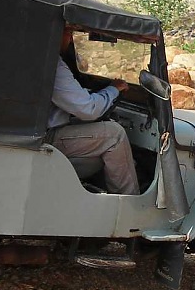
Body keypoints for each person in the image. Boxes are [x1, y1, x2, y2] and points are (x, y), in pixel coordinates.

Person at [48, 27, 140, 194]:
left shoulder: (36, 57)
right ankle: (130, 205)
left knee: (100, 155)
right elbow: (88, 108)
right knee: (114, 135)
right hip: (45, 139)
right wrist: (114, 89)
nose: (70, 38)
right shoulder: (51, 63)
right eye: (67, 32)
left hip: (33, 133)